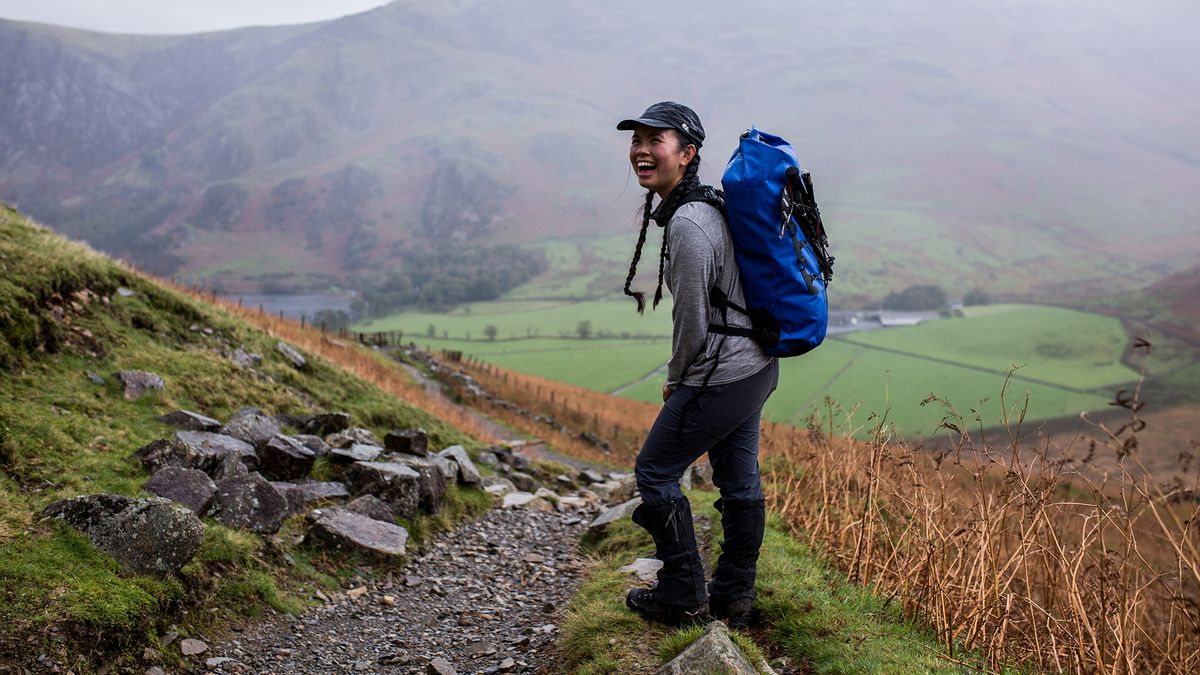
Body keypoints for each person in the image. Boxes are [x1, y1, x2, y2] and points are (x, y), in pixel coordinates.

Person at [616, 101, 779, 627]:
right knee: (738, 478)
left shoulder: (689, 221)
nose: (641, 150)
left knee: (655, 470)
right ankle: (734, 596)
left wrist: (677, 379)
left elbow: (691, 319)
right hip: (755, 366)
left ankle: (682, 594)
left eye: (654, 141)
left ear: (686, 154)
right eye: (636, 140)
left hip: (721, 372)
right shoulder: (705, 206)